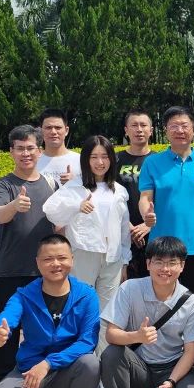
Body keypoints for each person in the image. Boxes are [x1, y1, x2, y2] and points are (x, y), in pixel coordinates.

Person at [0, 235, 100, 388]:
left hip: (67, 369)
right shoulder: (24, 295)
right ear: (37, 263)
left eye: (62, 258)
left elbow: (87, 342)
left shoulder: (87, 295)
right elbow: (8, 316)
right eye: (48, 259)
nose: (56, 264)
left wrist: (48, 363)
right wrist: (0, 331)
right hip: (29, 371)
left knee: (91, 363)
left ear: (72, 259)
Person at [98, 236, 194, 388]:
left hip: (172, 368)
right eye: (158, 262)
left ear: (182, 266)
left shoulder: (192, 303)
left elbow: (190, 351)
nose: (165, 269)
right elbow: (111, 334)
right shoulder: (130, 288)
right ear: (148, 264)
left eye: (172, 263)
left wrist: (171, 381)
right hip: (140, 367)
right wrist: (136, 337)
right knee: (111, 353)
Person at [44, 135, 131, 357]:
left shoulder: (119, 190)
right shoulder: (75, 186)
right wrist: (76, 206)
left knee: (108, 312)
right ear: (85, 160)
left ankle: (104, 361)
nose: (100, 162)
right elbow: (50, 210)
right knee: (80, 308)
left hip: (112, 258)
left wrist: (125, 260)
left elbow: (123, 229)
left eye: (105, 156)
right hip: (84, 253)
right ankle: (81, 361)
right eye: (94, 157)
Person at [0, 125, 58, 380]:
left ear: (40, 151)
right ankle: (2, 379)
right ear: (11, 152)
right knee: (6, 327)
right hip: (11, 269)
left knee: (42, 329)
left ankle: (41, 379)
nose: (26, 153)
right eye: (20, 148)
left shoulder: (52, 184)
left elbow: (59, 224)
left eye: (31, 148)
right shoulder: (2, 185)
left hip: (45, 271)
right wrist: (15, 205)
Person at [138, 106, 194, 301]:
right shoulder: (152, 163)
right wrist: (146, 215)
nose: (179, 130)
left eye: (184, 125)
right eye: (174, 126)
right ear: (166, 130)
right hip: (161, 248)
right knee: (160, 301)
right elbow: (145, 197)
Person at [116, 110, 155, 281]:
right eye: (134, 125)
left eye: (143, 125)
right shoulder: (115, 160)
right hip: (122, 233)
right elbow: (109, 196)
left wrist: (148, 225)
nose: (139, 129)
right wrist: (128, 226)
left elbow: (169, 199)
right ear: (126, 130)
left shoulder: (159, 161)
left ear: (151, 130)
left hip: (154, 233)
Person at [36, 108, 81, 185]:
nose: (53, 132)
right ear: (41, 131)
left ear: (66, 131)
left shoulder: (80, 161)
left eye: (58, 128)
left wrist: (76, 182)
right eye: (48, 128)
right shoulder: (32, 162)